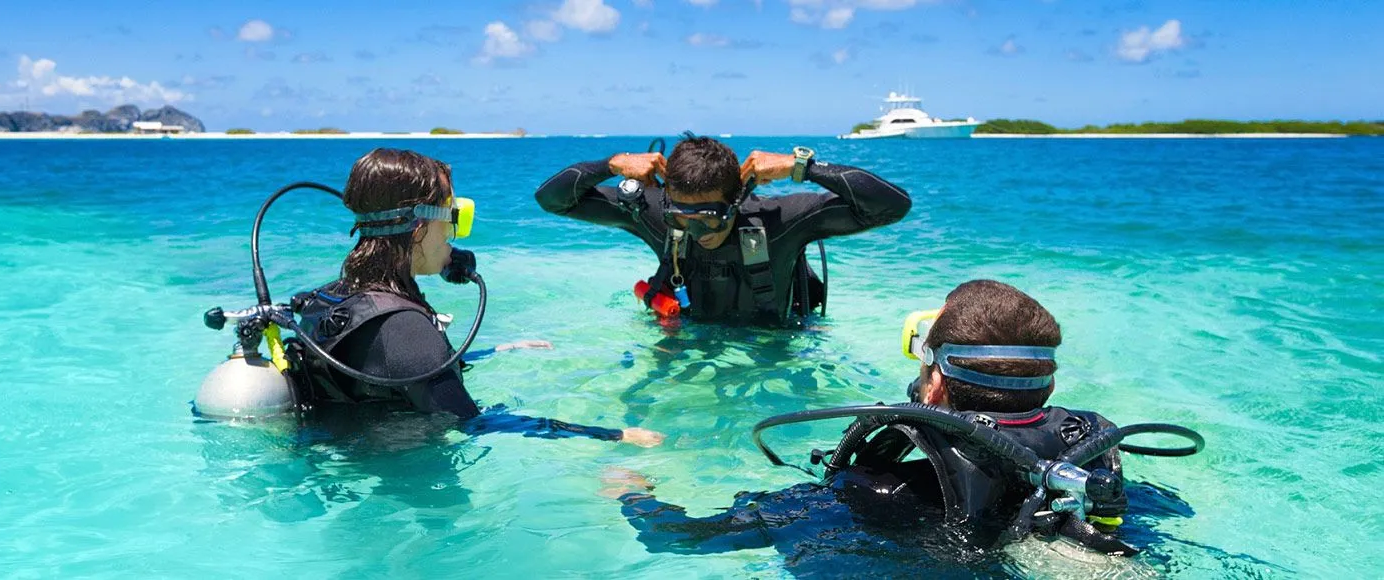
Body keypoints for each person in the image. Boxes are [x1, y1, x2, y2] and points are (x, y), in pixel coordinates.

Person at [605, 281, 1203, 571]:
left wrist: (632, 491)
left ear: (935, 383)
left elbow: (678, 539)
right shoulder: (1089, 478)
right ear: (1046, 383)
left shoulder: (873, 493)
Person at [285, 147, 662, 446]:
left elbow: (394, 370)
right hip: (410, 498)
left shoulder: (337, 295)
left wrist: (500, 351)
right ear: (419, 227)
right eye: (452, 216)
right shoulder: (404, 329)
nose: (453, 234)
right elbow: (472, 423)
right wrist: (611, 435)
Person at [534, 135, 911, 325]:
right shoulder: (649, 212)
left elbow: (893, 206)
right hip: (686, 346)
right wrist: (612, 164)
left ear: (737, 199)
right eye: (681, 218)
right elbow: (552, 200)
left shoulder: (778, 221)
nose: (698, 232)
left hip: (772, 353)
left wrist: (803, 168)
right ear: (667, 203)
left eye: (711, 217)